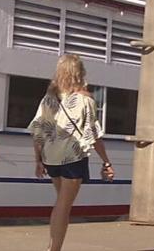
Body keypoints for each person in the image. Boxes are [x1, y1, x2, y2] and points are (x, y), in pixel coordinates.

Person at [29, 54, 114, 251]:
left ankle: (55, 246)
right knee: (63, 206)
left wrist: (38, 160)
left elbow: (38, 131)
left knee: (62, 204)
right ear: (80, 74)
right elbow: (93, 136)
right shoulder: (86, 101)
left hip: (51, 158)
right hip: (72, 158)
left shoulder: (49, 99)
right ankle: (54, 249)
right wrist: (106, 162)